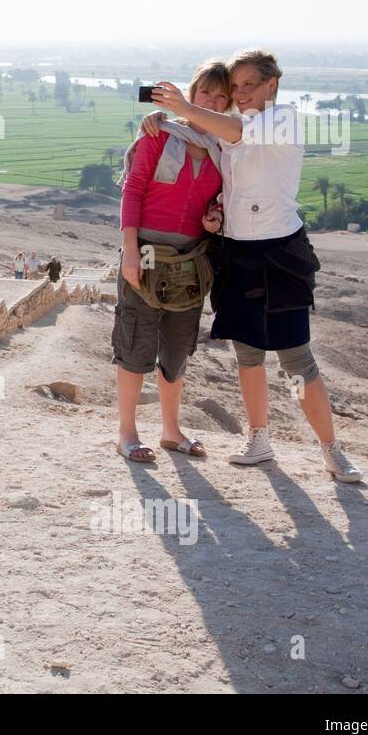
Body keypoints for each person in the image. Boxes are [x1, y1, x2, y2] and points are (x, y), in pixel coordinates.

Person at [144, 49, 363, 483]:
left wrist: (183, 108)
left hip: (280, 253)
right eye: (235, 87)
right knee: (247, 355)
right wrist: (157, 122)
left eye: (248, 85)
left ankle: (332, 450)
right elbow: (224, 167)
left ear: (272, 85)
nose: (240, 94)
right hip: (237, 251)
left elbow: (235, 132)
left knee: (297, 358)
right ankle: (259, 440)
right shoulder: (230, 129)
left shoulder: (283, 119)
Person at [114, 61, 228, 463]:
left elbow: (219, 203)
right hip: (144, 253)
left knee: (177, 351)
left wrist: (215, 217)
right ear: (190, 97)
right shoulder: (158, 134)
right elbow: (133, 191)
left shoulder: (223, 150)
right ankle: (127, 434)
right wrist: (129, 249)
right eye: (205, 95)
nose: (211, 102)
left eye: (220, 98)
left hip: (191, 262)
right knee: (134, 346)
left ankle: (170, 431)